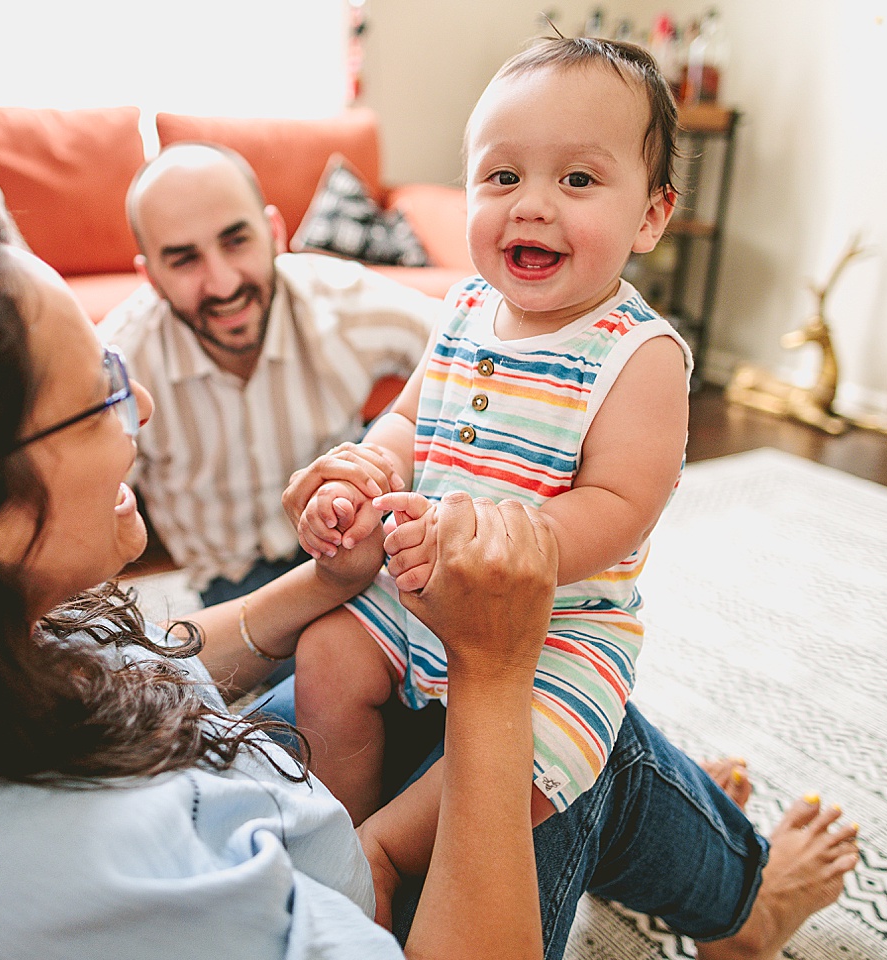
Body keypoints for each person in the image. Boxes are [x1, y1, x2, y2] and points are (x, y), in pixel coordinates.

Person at [0, 202, 856, 960]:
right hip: (331, 867)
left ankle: (701, 838)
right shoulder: (120, 889)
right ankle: (743, 901)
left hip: (287, 809)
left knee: (474, 692)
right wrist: (493, 671)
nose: (134, 416)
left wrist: (318, 583)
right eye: (100, 395)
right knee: (567, 733)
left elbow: (146, 659)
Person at [287, 37, 695, 829]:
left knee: (533, 763)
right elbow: (409, 416)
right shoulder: (465, 307)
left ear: (650, 215)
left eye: (577, 179)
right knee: (325, 655)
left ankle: (389, 853)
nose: (532, 204)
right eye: (503, 176)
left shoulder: (637, 355)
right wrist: (369, 468)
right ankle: (336, 830)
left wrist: (506, 544)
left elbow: (620, 506)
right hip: (416, 594)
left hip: (553, 631)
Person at [99, 143, 437, 608]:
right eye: (184, 260)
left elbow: (466, 344)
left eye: (236, 241)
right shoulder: (120, 361)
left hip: (353, 540)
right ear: (151, 277)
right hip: (231, 578)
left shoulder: (343, 301)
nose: (223, 284)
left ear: (274, 232)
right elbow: (85, 510)